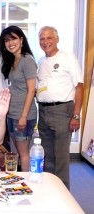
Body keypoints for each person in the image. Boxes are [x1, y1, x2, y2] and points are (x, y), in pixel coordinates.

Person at [36, 26, 83, 189]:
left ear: (57, 39)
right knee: (46, 156)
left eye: (49, 38)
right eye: (42, 39)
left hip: (63, 111)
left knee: (61, 157)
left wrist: (76, 116)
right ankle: (50, 191)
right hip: (43, 111)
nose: (45, 42)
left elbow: (79, 87)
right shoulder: (41, 61)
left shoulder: (67, 57)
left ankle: (64, 194)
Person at [0, 26, 38, 172]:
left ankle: (27, 184)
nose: (10, 43)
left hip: (23, 115)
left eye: (13, 38)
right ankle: (17, 183)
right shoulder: (13, 60)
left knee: (23, 154)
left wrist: (23, 116)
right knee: (15, 153)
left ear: (21, 40)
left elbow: (31, 90)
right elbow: (18, 86)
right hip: (12, 113)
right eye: (6, 40)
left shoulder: (27, 60)